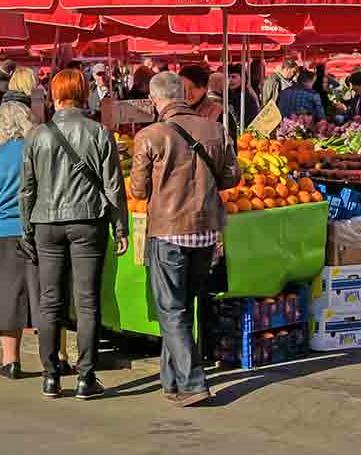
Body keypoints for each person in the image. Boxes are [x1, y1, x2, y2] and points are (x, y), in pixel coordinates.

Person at [131, 70, 241, 407]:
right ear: (182, 93)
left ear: (155, 99)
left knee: (171, 309)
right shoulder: (215, 129)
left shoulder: (150, 135)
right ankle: (171, 381)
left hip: (168, 231)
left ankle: (193, 382)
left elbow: (137, 189)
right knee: (181, 308)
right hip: (206, 231)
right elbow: (232, 177)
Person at [20, 69, 128, 400]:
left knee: (49, 300)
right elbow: (113, 186)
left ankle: (51, 376)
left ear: (54, 95)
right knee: (87, 300)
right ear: (83, 94)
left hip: (46, 222)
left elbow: (27, 188)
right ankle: (86, 376)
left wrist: (27, 228)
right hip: (88, 220)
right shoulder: (99, 132)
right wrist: (120, 226)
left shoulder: (37, 136)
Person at [0, 102, 44, 379]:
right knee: (42, 295)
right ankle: (52, 357)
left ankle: (11, 360)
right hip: (37, 230)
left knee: (6, 297)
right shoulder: (38, 153)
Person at [225, 66, 260, 132]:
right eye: (228, 77)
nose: (230, 80)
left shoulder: (244, 96)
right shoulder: (231, 94)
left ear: (243, 78)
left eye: (233, 77)